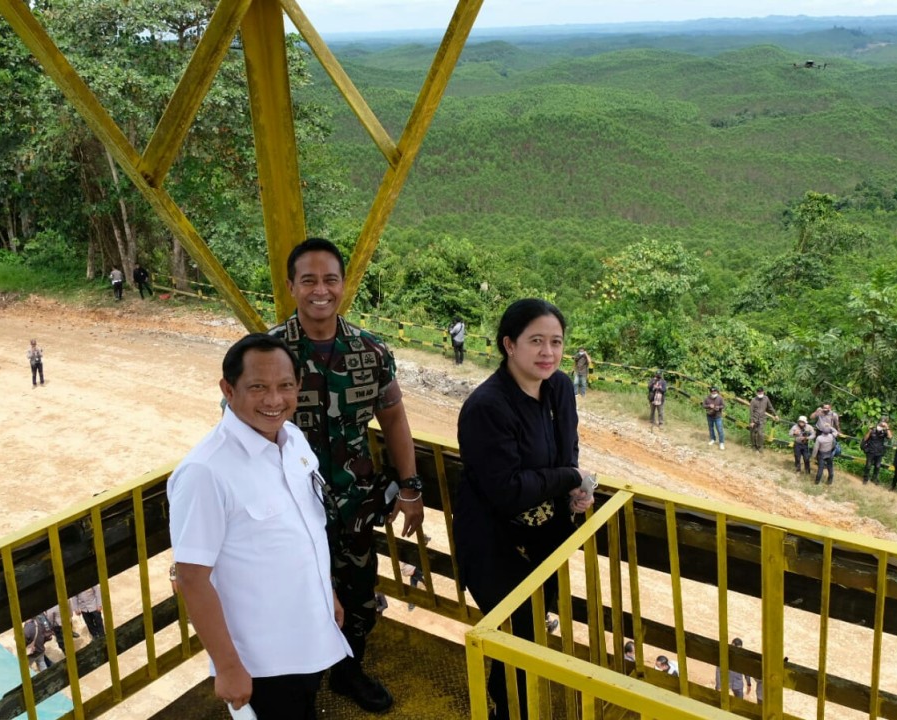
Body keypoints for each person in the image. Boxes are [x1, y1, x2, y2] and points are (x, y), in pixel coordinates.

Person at [268, 238, 421, 712]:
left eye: (330, 279)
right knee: (298, 600)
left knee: (357, 596)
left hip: (355, 506)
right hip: (289, 509)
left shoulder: (371, 352)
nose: (320, 290)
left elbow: (393, 417)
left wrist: (412, 487)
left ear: (342, 286)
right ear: (292, 286)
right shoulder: (268, 353)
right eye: (308, 280)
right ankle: (302, 692)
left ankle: (349, 673)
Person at [169, 333, 352, 719]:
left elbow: (306, 532)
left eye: (285, 386)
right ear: (228, 389)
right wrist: (229, 666)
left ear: (298, 387)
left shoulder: (294, 440)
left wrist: (327, 595)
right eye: (258, 387)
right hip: (261, 662)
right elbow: (191, 577)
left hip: (309, 635)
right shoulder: (206, 472)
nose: (273, 400)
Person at [454, 298, 595, 720]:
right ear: (509, 345)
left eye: (555, 342)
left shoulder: (558, 388)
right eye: (536, 341)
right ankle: (506, 709)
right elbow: (507, 490)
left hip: (544, 535)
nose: (548, 352)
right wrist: (571, 477)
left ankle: (514, 703)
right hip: (493, 539)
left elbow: (567, 448)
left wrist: (576, 492)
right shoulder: (487, 407)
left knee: (533, 626)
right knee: (516, 631)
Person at [861, 418, 892, 484]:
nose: (882, 426)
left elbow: (890, 437)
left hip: (879, 452)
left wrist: (887, 427)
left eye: (883, 425)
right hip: (870, 451)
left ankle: (874, 479)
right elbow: (865, 438)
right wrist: (869, 431)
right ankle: (865, 479)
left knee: (877, 466)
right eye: (881, 424)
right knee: (868, 465)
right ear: (878, 423)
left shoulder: (884, 432)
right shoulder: (872, 429)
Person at [748, 388, 776, 453]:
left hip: (762, 419)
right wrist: (752, 421)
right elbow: (751, 412)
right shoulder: (753, 400)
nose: (760, 394)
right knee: (753, 434)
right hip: (754, 419)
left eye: (761, 393)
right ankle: (754, 447)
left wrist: (775, 414)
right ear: (756, 393)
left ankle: (760, 447)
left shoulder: (766, 398)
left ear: (763, 392)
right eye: (759, 393)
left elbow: (770, 407)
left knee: (760, 434)